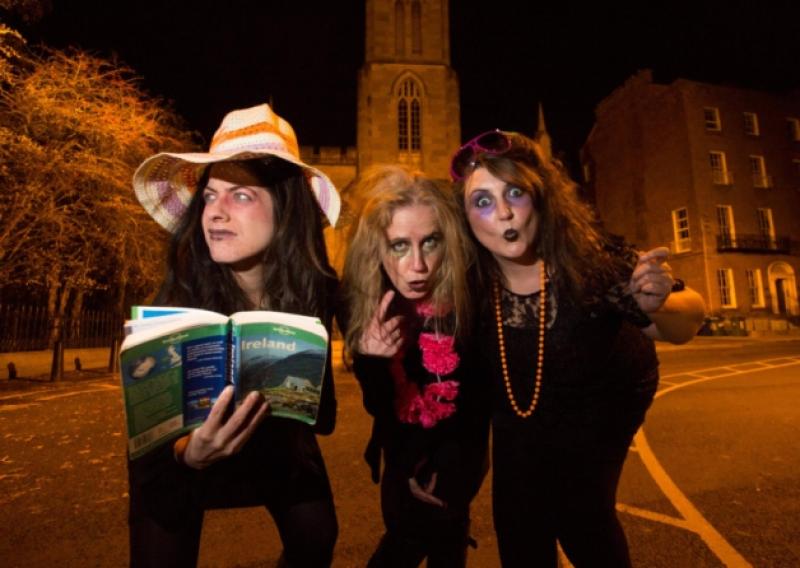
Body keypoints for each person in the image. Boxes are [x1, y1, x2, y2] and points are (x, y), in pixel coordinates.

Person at [449, 130, 706, 567]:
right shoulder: (467, 283)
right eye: (483, 201)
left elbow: (688, 319)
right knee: (517, 520)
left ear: (542, 198)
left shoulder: (587, 264)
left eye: (515, 192)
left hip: (603, 397)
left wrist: (659, 303)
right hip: (520, 407)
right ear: (466, 217)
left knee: (580, 511)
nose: (505, 212)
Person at [128, 103, 342, 568]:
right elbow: (148, 448)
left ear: (285, 210)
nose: (215, 213)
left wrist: (373, 355)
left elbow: (322, 421)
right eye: (210, 196)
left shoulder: (316, 290)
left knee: (317, 535)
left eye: (241, 195)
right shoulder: (179, 297)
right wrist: (189, 457)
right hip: (182, 461)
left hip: (275, 447)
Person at [341, 165, 489, 567]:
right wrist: (373, 361)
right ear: (377, 249)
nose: (418, 266)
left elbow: (477, 401)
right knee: (406, 536)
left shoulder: (471, 298)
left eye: (431, 242)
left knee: (445, 536)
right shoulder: (366, 300)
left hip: (458, 456)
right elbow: (380, 407)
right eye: (400, 246)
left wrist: (449, 466)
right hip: (401, 453)